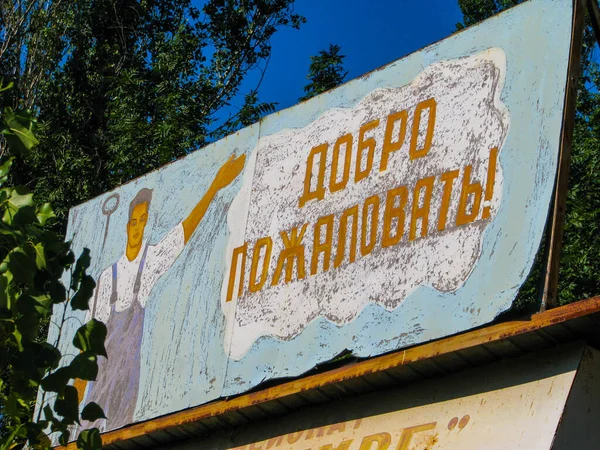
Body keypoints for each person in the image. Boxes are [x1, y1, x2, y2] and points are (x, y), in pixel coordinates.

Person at [77, 153, 245, 430]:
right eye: (134, 221)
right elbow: (89, 342)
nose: (138, 228)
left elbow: (182, 233)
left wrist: (215, 186)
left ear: (146, 225)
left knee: (124, 435)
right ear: (127, 225)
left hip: (129, 382)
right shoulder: (108, 278)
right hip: (101, 384)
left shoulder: (150, 263)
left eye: (143, 221)